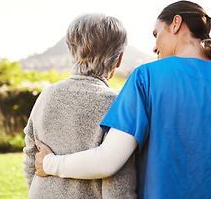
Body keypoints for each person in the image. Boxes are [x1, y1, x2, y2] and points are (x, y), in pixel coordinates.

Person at [34, 0, 211, 199]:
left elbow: (108, 161)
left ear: (176, 24)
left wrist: (50, 164)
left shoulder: (146, 77)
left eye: (156, 34)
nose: (154, 47)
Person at [23, 13, 137, 199]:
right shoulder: (117, 105)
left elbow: (31, 161)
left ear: (71, 51)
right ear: (119, 59)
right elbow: (118, 183)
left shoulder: (46, 95)